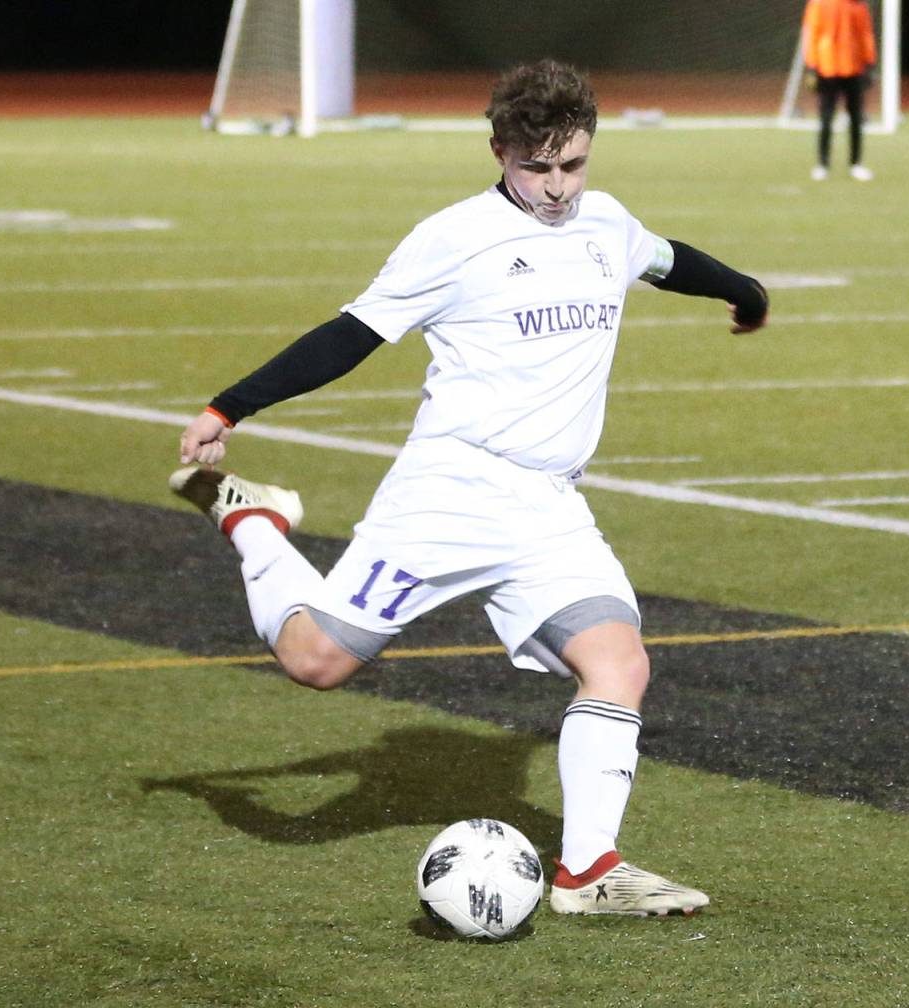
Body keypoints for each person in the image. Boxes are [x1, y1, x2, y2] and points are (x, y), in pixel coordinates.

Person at [171, 59, 768, 918]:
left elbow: (669, 261)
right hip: (450, 495)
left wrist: (743, 290)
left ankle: (588, 872)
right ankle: (254, 522)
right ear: (500, 152)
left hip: (549, 506)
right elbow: (349, 335)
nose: (558, 186)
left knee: (619, 662)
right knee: (315, 662)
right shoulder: (453, 238)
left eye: (573, 165)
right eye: (538, 167)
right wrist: (229, 406)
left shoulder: (606, 222)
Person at [803, 0, 878, 181]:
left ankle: (855, 164)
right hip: (827, 66)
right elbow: (813, 33)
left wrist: (869, 62)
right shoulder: (820, 4)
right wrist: (812, 65)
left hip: (852, 67)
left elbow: (864, 34)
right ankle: (823, 164)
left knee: (855, 117)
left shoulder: (857, 5)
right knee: (827, 117)